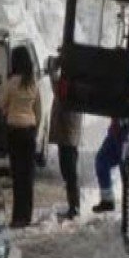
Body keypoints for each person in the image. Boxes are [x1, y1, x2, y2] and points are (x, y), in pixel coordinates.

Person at [0, 47, 43, 228]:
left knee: (17, 176)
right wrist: (34, 128)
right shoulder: (33, 84)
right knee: (28, 175)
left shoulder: (11, 83)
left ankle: (17, 218)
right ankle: (27, 215)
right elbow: (38, 111)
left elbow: (1, 104)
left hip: (15, 132)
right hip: (29, 132)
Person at [49, 61, 84, 220]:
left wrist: (52, 71)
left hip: (68, 134)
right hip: (68, 133)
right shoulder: (75, 81)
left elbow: (58, 91)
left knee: (69, 172)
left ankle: (74, 207)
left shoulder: (71, 83)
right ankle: (73, 205)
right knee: (68, 171)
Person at [93, 116, 129, 213]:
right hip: (117, 130)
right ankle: (107, 200)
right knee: (102, 160)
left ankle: (128, 213)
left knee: (127, 176)